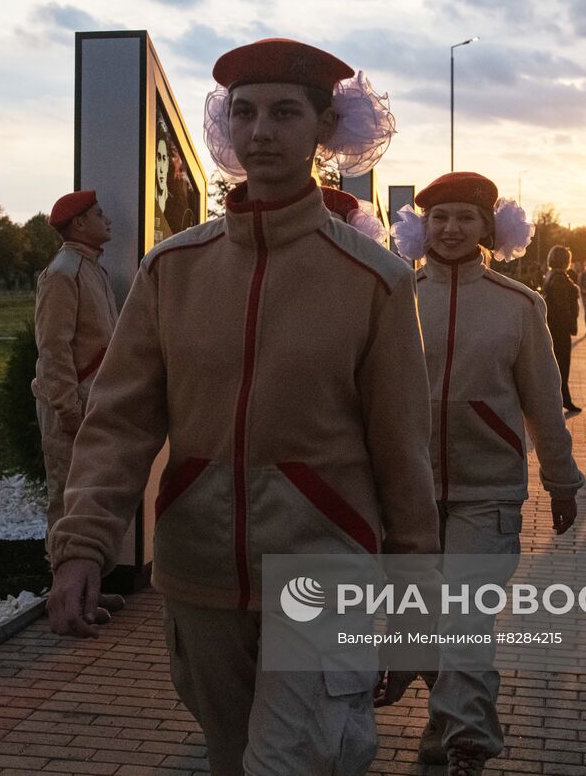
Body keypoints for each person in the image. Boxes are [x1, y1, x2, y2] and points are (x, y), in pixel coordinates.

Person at [47, 38, 439, 776]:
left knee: (298, 762)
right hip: (198, 574)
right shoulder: (174, 270)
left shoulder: (375, 281)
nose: (261, 131)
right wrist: (81, 546)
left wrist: (416, 605)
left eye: (285, 113)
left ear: (325, 130)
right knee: (232, 758)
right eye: (246, 112)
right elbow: (119, 425)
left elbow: (403, 453)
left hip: (325, 572)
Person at [392, 174, 582, 773]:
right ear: (421, 226)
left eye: (465, 218)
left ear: (490, 228)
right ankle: (443, 724)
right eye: (439, 217)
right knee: (421, 628)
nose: (451, 229)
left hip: (489, 492)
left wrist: (562, 479)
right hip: (407, 494)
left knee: (466, 622)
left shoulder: (520, 306)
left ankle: (469, 742)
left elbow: (543, 402)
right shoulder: (395, 295)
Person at [32, 190, 118, 539]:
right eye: (100, 214)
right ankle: (63, 588)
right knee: (67, 498)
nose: (108, 220)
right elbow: (53, 348)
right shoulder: (64, 273)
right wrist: (68, 410)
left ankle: (88, 590)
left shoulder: (91, 269)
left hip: (88, 404)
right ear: (80, 223)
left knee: (90, 498)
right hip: (70, 408)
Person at [542, 245, 582, 413]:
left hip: (553, 327)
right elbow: (562, 306)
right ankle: (562, 399)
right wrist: (569, 325)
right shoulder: (559, 278)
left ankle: (562, 398)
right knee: (561, 366)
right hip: (559, 329)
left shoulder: (551, 275)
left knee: (556, 366)